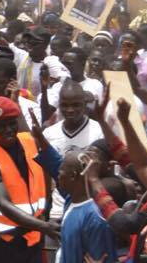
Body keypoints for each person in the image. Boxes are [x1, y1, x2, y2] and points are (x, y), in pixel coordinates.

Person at [0, 96, 56, 263]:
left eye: (12, 123)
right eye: (2, 125)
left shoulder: (29, 142)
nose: (8, 129)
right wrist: (43, 226)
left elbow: (46, 181)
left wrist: (44, 220)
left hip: (32, 240)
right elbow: (3, 203)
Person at [41, 81, 103, 224]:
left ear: (84, 104)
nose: (69, 110)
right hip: (58, 211)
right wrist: (46, 206)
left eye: (75, 105)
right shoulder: (49, 134)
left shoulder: (98, 131)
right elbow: (45, 175)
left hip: (90, 209)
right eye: (64, 105)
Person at [55, 150, 118, 263]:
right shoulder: (71, 202)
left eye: (60, 173)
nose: (58, 176)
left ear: (73, 176)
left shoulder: (93, 216)